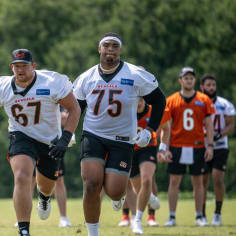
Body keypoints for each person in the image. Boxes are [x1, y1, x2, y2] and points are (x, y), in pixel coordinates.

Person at [73, 32, 166, 236]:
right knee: (90, 185)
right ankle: (93, 233)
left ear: (120, 50)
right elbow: (75, 108)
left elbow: (159, 101)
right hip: (93, 135)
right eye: (106, 45)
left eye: (115, 46)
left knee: (114, 191)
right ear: (99, 49)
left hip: (122, 139)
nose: (110, 50)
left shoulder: (134, 74)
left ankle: (119, 194)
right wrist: (67, 132)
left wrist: (150, 130)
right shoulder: (86, 77)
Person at [0, 49, 80, 236]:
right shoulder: (2, 86)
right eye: (16, 66)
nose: (20, 70)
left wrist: (65, 138)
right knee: (21, 176)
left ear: (33, 66)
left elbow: (74, 108)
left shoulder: (51, 82)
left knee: (46, 186)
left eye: (24, 66)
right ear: (12, 67)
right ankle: (24, 229)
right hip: (21, 135)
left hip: (49, 139)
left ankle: (43, 198)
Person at [160, 67, 214, 227]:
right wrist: (165, 148)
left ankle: (199, 216)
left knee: (198, 182)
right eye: (186, 78)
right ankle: (171, 216)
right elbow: (166, 126)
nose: (189, 80)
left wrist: (210, 146)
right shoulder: (171, 100)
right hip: (177, 145)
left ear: (194, 81)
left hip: (198, 146)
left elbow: (209, 125)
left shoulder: (204, 100)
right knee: (174, 181)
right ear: (180, 80)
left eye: (191, 78)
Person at [129, 98, 170, 234]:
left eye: (141, 99)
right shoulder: (126, 111)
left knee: (147, 180)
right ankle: (150, 197)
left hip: (148, 148)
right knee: (137, 187)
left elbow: (166, 128)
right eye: (136, 99)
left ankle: (138, 220)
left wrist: (163, 149)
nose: (139, 102)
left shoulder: (154, 110)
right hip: (129, 151)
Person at [200, 74, 234, 226]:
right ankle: (201, 214)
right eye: (208, 85)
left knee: (217, 178)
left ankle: (218, 213)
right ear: (202, 87)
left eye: (213, 85)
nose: (211, 88)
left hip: (220, 145)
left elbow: (231, 124)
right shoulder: (198, 102)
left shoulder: (224, 104)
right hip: (202, 145)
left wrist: (219, 134)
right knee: (202, 181)